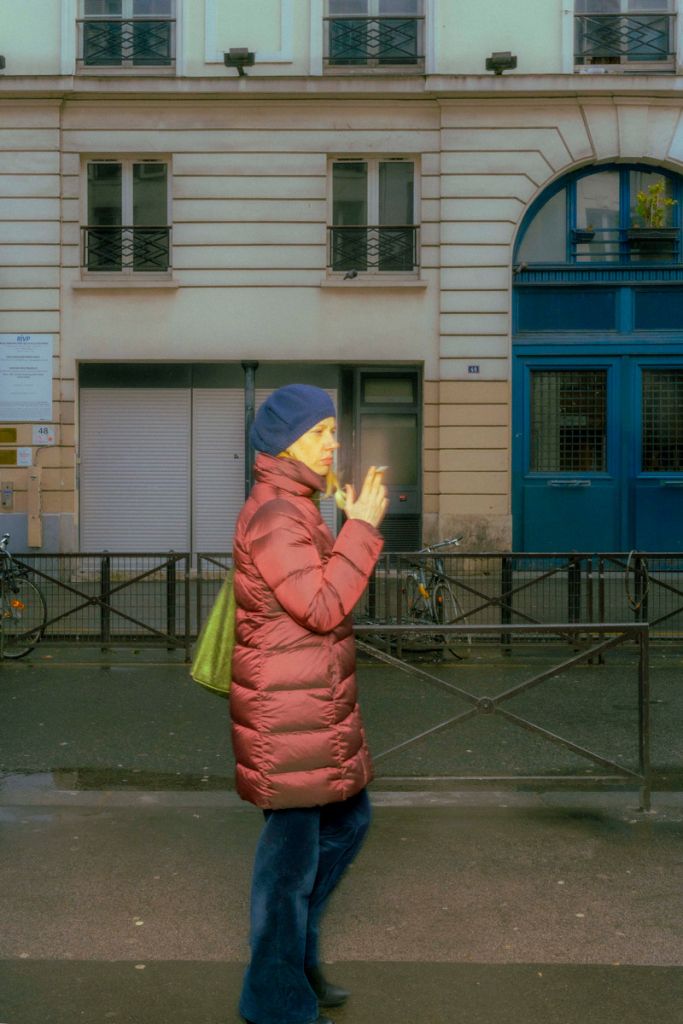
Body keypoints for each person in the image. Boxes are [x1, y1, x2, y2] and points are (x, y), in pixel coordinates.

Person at [230, 383, 388, 1024]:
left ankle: (293, 961)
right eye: (321, 432)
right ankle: (273, 996)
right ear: (286, 441)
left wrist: (345, 524)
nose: (334, 442)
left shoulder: (297, 507)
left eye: (333, 431)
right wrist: (360, 529)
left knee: (348, 822)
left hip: (311, 711)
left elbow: (320, 590)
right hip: (289, 718)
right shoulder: (275, 516)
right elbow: (322, 607)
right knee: (289, 865)